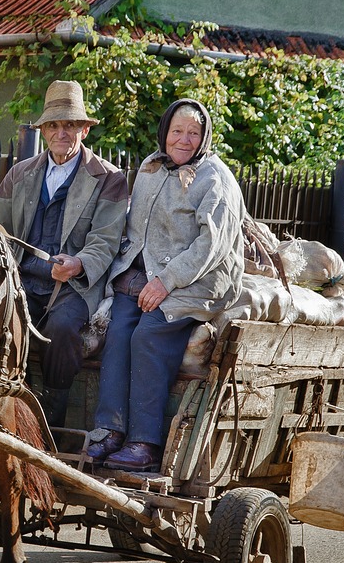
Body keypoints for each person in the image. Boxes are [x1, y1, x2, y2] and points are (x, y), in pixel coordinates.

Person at [86, 98, 245, 471]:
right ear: (165, 133)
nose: (185, 139)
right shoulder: (152, 167)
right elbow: (134, 228)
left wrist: (166, 280)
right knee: (119, 330)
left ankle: (145, 443)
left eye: (194, 132)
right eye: (177, 131)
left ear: (205, 136)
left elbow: (212, 245)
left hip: (200, 281)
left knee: (148, 335)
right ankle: (108, 430)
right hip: (147, 276)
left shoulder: (214, 178)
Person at [0, 80, 129, 436]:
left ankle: (51, 425)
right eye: (53, 125)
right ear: (44, 130)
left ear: (84, 129)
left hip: (74, 287)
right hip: (19, 278)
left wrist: (80, 263)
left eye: (69, 125)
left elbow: (106, 239)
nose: (61, 132)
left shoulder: (108, 179)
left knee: (61, 331)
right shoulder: (21, 174)